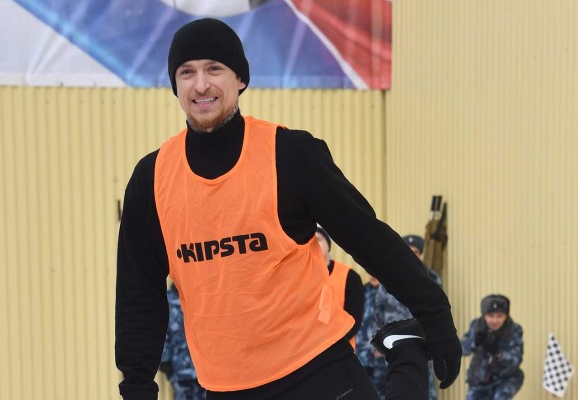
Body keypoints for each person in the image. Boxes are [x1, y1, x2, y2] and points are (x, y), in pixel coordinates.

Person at [115, 18, 461, 400]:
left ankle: (407, 352)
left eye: (214, 69)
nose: (201, 85)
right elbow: (139, 292)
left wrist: (435, 314)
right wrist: (136, 385)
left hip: (316, 370)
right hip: (225, 387)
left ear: (240, 79)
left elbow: (369, 238)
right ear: (175, 85)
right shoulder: (152, 179)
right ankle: (406, 346)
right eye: (187, 72)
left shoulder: (289, 154)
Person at [369, 235, 442, 399]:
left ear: (420, 254)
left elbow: (437, 312)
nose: (411, 254)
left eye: (415, 251)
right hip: (391, 344)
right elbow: (377, 311)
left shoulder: (431, 278)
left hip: (420, 343)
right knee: (392, 387)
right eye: (408, 250)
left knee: (424, 388)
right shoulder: (387, 276)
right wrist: (376, 345)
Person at [460, 294, 524, 399]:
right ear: (484, 315)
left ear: (506, 316)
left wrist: (499, 353)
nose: (495, 321)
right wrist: (474, 342)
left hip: (505, 379)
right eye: (490, 316)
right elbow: (461, 350)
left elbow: (516, 360)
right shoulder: (476, 326)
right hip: (479, 377)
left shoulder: (514, 330)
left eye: (499, 316)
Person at [315, 225, 365, 347]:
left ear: (328, 244)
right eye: (310, 241)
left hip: (341, 348)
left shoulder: (350, 277)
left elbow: (354, 320)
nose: (314, 244)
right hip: (308, 351)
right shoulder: (299, 276)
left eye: (318, 239)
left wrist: (332, 345)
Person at [160, 283, 206, 400]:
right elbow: (161, 333)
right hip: (179, 368)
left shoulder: (199, 298)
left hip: (203, 369)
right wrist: (164, 360)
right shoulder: (166, 301)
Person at [355, 274, 385, 394]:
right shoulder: (361, 292)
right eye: (370, 271)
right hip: (362, 355)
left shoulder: (391, 294)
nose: (373, 275)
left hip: (383, 357)